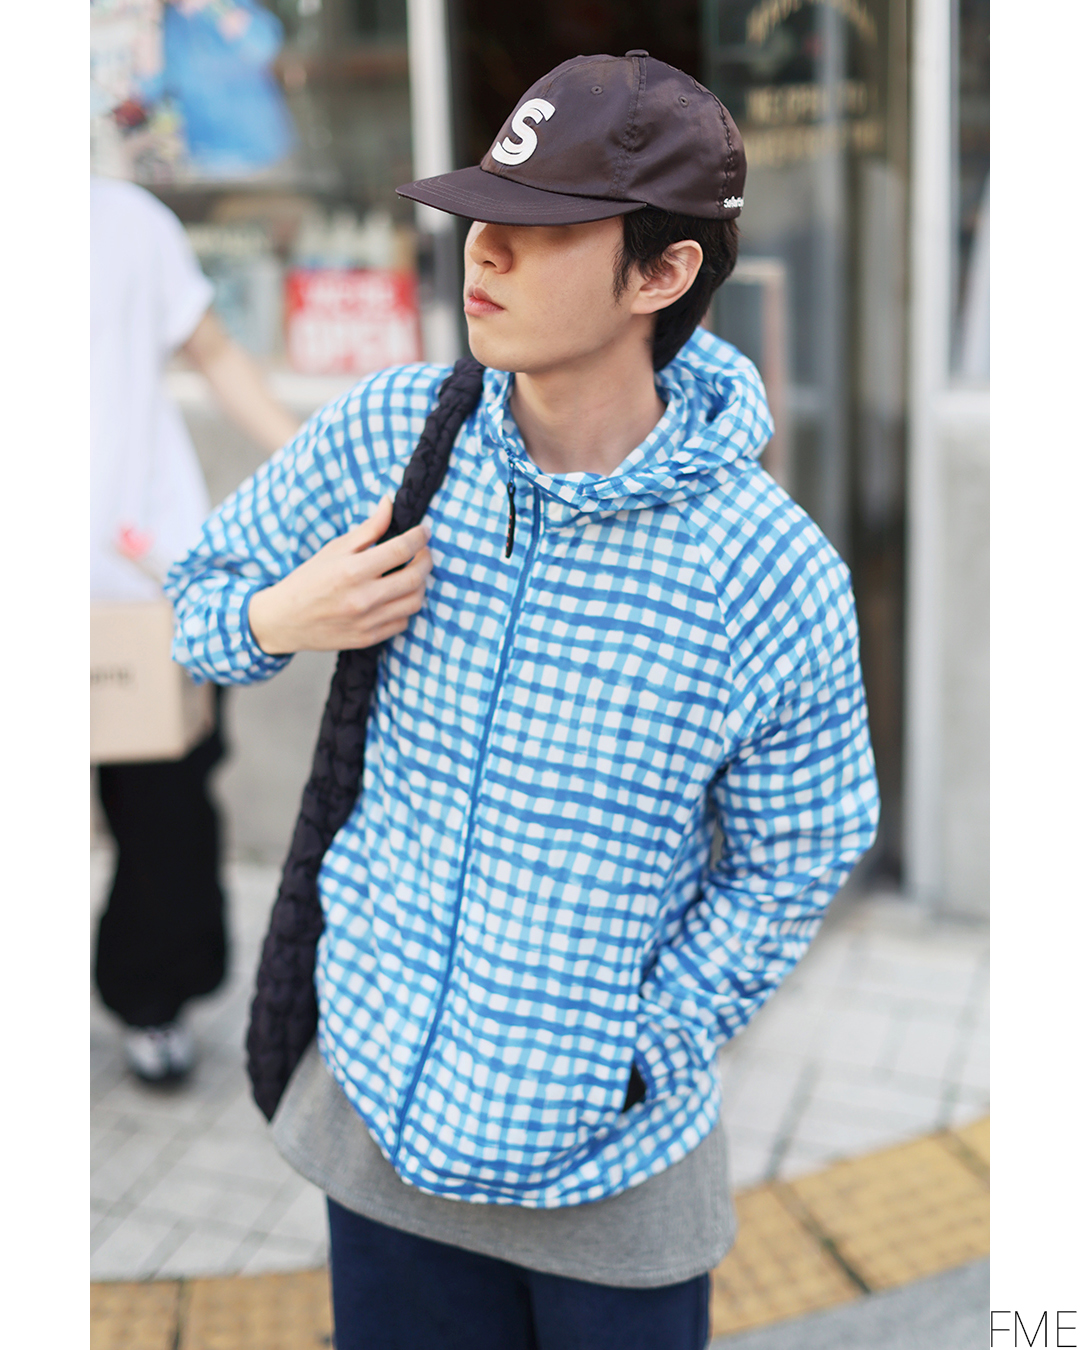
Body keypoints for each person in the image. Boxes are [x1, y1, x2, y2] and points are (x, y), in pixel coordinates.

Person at [165, 52, 879, 1350]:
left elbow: (802, 851)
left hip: (610, 1180)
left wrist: (641, 1047)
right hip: (380, 1126)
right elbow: (196, 605)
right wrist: (285, 617)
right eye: (481, 211)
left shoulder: (765, 572)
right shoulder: (395, 437)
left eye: (542, 226)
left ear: (661, 273)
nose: (481, 249)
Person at [91, 174, 300, 1083]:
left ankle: (155, 1003)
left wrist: (312, 459)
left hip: (146, 584)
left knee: (166, 813)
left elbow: (213, 350)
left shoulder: (130, 222)